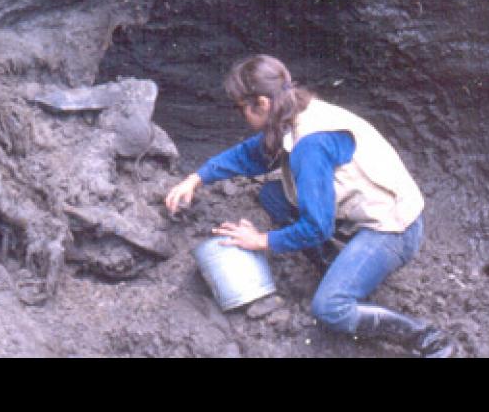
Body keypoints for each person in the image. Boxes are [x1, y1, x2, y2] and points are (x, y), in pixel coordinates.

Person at [165, 54, 454, 358]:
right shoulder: (293, 111)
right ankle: (337, 268)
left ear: (262, 103)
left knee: (330, 308)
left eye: (242, 110)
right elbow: (251, 154)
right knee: (274, 196)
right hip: (371, 214)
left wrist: (261, 241)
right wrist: (197, 178)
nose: (243, 118)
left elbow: (317, 227)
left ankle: (428, 339)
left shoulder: (311, 144)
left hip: (393, 228)